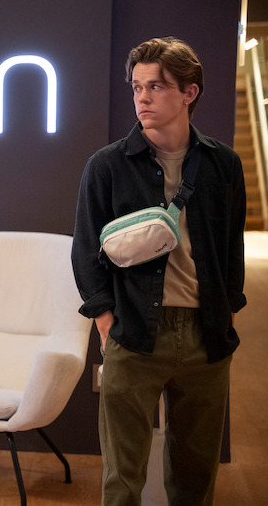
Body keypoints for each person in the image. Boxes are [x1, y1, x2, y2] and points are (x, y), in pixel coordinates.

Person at [71, 36, 246, 505]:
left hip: (205, 335)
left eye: (156, 86)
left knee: (195, 476)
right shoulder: (107, 165)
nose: (142, 98)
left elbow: (232, 247)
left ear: (189, 93)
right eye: (136, 86)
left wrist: (227, 313)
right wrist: (105, 321)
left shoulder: (223, 164)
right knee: (121, 479)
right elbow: (86, 250)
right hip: (133, 330)